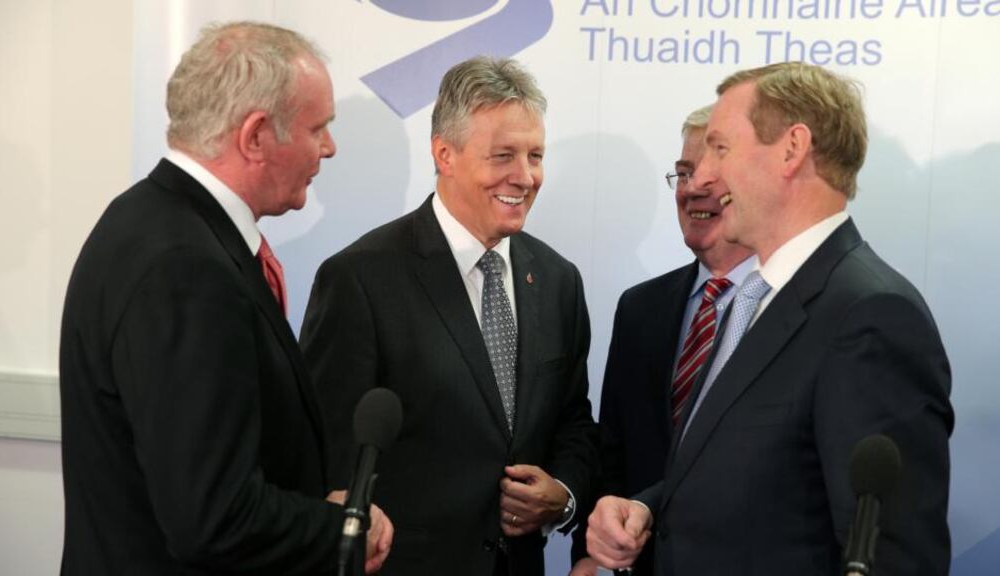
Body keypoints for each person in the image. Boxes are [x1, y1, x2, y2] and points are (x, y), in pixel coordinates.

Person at [586, 62, 954, 575]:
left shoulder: (871, 316)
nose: (705, 177)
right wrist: (646, 505)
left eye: (720, 148)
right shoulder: (754, 296)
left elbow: (891, 555)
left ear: (792, 149)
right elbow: (750, 470)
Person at [59, 21, 392, 575]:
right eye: (319, 128)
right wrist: (343, 528)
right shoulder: (185, 269)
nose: (330, 148)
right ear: (256, 135)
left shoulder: (145, 218)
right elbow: (214, 518)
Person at [300, 56, 599, 575]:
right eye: (503, 155)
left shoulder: (558, 281)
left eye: (535, 155)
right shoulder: (360, 279)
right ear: (445, 154)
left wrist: (565, 495)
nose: (525, 176)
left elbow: (572, 420)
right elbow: (325, 452)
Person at [569, 105, 755, 576]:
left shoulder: (795, 310)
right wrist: (588, 557)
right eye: (684, 173)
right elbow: (612, 456)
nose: (693, 188)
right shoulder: (641, 308)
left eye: (712, 173)